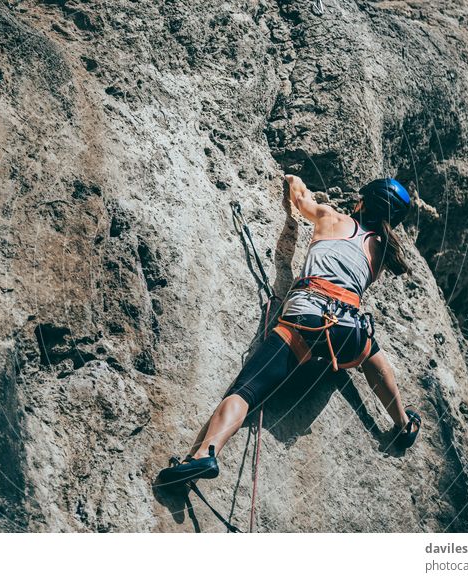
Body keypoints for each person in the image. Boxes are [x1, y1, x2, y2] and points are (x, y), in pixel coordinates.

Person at [158, 175, 422, 484]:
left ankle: (204, 454)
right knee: (372, 356)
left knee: (246, 391)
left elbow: (300, 202)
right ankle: (403, 422)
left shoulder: (330, 216)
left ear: (361, 201)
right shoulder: (381, 252)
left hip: (306, 318)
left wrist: (294, 180)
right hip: (349, 331)